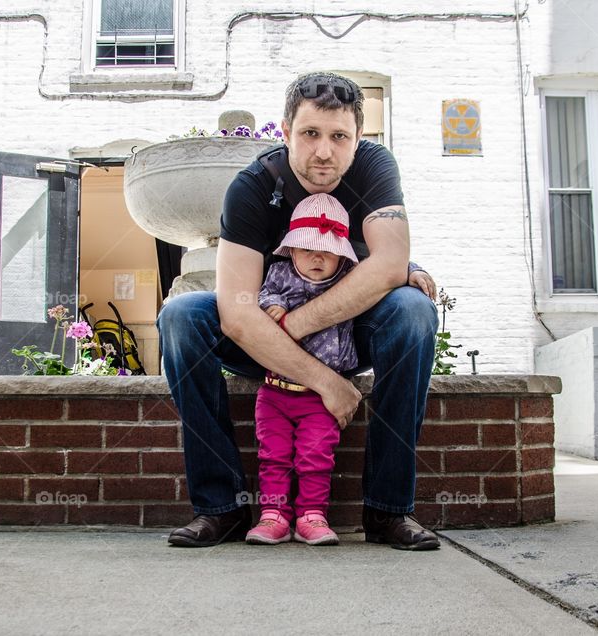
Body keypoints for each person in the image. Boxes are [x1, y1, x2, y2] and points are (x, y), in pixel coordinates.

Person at [158, 71, 440, 551]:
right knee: (183, 317)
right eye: (310, 134)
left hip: (346, 335)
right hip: (262, 341)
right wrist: (329, 385)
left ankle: (389, 511)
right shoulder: (252, 187)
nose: (324, 152)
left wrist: (295, 324)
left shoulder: (375, 168)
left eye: (339, 137)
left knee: (412, 312)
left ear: (357, 139)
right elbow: (238, 314)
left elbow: (391, 263)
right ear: (285, 131)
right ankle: (220, 508)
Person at [246, 193, 359, 547]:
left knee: (315, 457)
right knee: (273, 456)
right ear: (291, 250)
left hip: (320, 397)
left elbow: (389, 272)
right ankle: (274, 516)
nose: (317, 256)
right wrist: (274, 305)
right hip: (275, 391)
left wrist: (413, 272)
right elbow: (261, 295)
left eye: (326, 249)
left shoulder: (350, 277)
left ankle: (312, 515)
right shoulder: (279, 273)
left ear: (341, 253)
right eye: (307, 248)